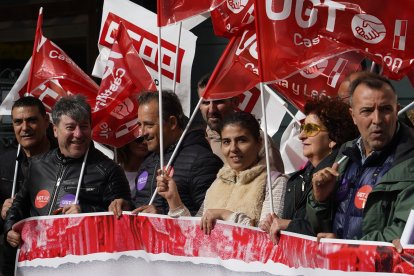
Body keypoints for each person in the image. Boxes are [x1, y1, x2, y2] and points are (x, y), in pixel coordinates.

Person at [4, 95, 131, 249]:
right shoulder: (37, 164)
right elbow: (19, 204)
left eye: (84, 126)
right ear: (55, 130)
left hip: (81, 263)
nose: (78, 134)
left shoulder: (109, 170)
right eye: (70, 127)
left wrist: (86, 212)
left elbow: (124, 223)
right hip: (38, 260)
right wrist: (10, 228)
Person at [308, 72, 414, 242]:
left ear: (397, 110)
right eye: (367, 111)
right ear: (353, 116)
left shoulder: (409, 161)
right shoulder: (345, 154)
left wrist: (346, 248)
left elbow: (404, 233)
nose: (377, 119)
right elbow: (318, 230)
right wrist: (320, 201)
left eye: (386, 109)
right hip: (335, 267)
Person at [156, 111, 288, 234]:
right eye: (226, 142)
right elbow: (195, 233)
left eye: (242, 140)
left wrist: (226, 215)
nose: (233, 148)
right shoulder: (218, 182)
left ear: (258, 143)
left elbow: (266, 237)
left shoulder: (275, 182)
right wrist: (173, 199)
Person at [260, 98, 358, 243]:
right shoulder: (297, 179)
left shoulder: (342, 176)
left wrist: (289, 225)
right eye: (302, 128)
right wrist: (273, 223)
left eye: (310, 129)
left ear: (333, 138)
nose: (301, 136)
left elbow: (333, 230)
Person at [111, 91, 223, 216]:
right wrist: (127, 207)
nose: (142, 132)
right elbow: (142, 205)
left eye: (149, 125)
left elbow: (210, 219)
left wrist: (162, 217)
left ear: (172, 123)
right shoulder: (147, 162)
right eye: (140, 125)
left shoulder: (202, 160)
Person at [0, 96, 56, 276]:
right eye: (18, 122)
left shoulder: (67, 160)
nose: (25, 128)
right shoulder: (5, 163)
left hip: (56, 260)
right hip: (13, 263)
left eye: (32, 120)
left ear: (46, 121)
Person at [197, 73, 285, 173]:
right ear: (199, 106)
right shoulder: (196, 140)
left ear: (235, 102)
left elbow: (274, 182)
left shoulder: (258, 139)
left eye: (218, 101)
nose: (212, 109)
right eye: (205, 103)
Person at [116, 135, 149, 200]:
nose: (144, 142)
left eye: (148, 139)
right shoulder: (113, 170)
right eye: (139, 138)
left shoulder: (153, 172)